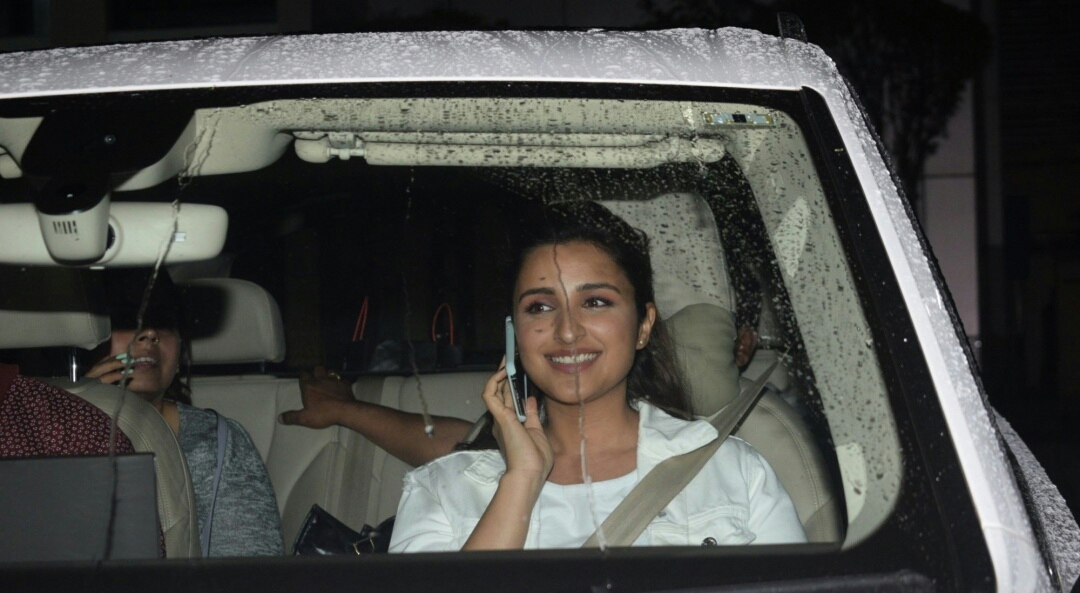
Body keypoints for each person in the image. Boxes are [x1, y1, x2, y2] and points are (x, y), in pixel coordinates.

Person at [383, 201, 805, 551]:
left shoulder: (734, 472)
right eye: (541, 307)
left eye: (597, 302)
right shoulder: (440, 489)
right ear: (514, 335)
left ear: (643, 326)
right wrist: (522, 481)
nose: (567, 331)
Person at [85, 270, 284, 557]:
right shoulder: (40, 428)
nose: (150, 333)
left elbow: (249, 574)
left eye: (164, 323)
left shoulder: (216, 445)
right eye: (126, 320)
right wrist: (78, 409)